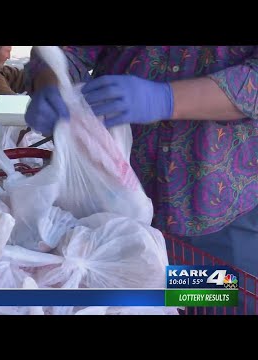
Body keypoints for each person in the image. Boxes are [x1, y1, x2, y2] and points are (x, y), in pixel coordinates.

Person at [24, 46, 258, 313]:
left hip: (212, 214)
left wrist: (167, 99)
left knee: (208, 297)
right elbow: (64, 51)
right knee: (124, 303)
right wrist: (50, 84)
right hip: (112, 208)